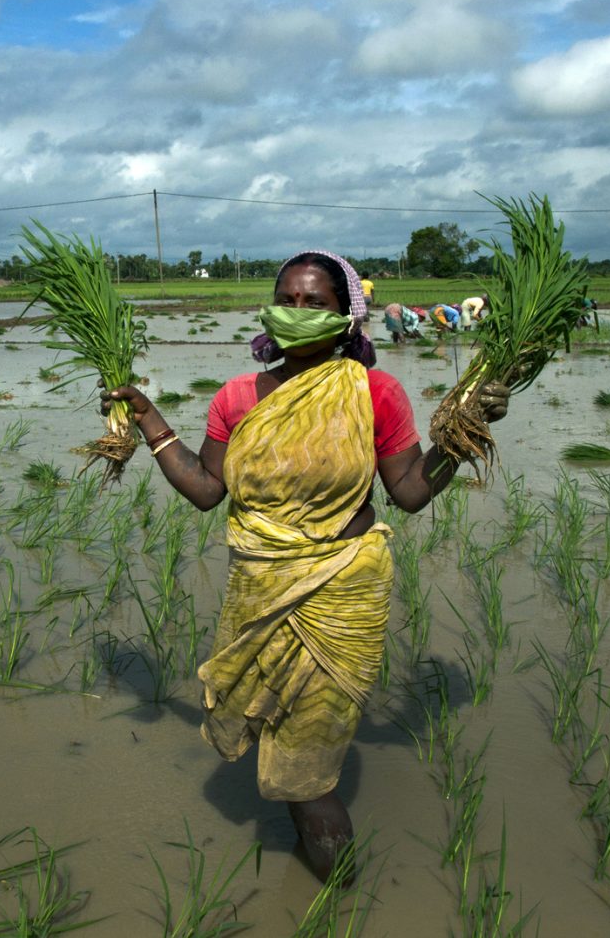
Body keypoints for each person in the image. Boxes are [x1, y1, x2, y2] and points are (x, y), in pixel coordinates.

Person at [103, 251, 508, 881]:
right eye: (286, 299)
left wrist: (463, 431)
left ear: (346, 315)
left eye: (313, 303)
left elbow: (408, 491)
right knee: (276, 729)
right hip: (260, 586)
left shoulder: (375, 391)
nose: (296, 312)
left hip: (341, 587)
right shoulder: (238, 397)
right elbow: (209, 489)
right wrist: (150, 419)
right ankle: (319, 882)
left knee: (308, 764)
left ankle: (335, 889)